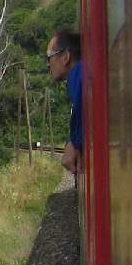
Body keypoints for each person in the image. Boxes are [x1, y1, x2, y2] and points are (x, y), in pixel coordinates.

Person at [46, 29, 83, 175]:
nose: (48, 65)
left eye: (49, 58)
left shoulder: (77, 74)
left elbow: (85, 111)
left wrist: (75, 141)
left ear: (66, 57)